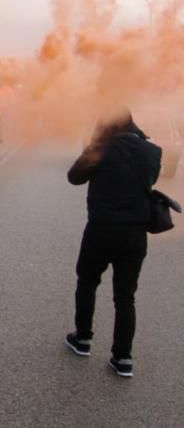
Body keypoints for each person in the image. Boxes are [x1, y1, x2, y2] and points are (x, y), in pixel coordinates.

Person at [64, 108, 161, 379]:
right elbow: (149, 180)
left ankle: (82, 338)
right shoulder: (152, 151)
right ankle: (123, 357)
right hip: (134, 234)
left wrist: (94, 148)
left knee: (87, 281)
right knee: (125, 296)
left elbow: (74, 177)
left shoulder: (101, 149)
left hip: (101, 229)